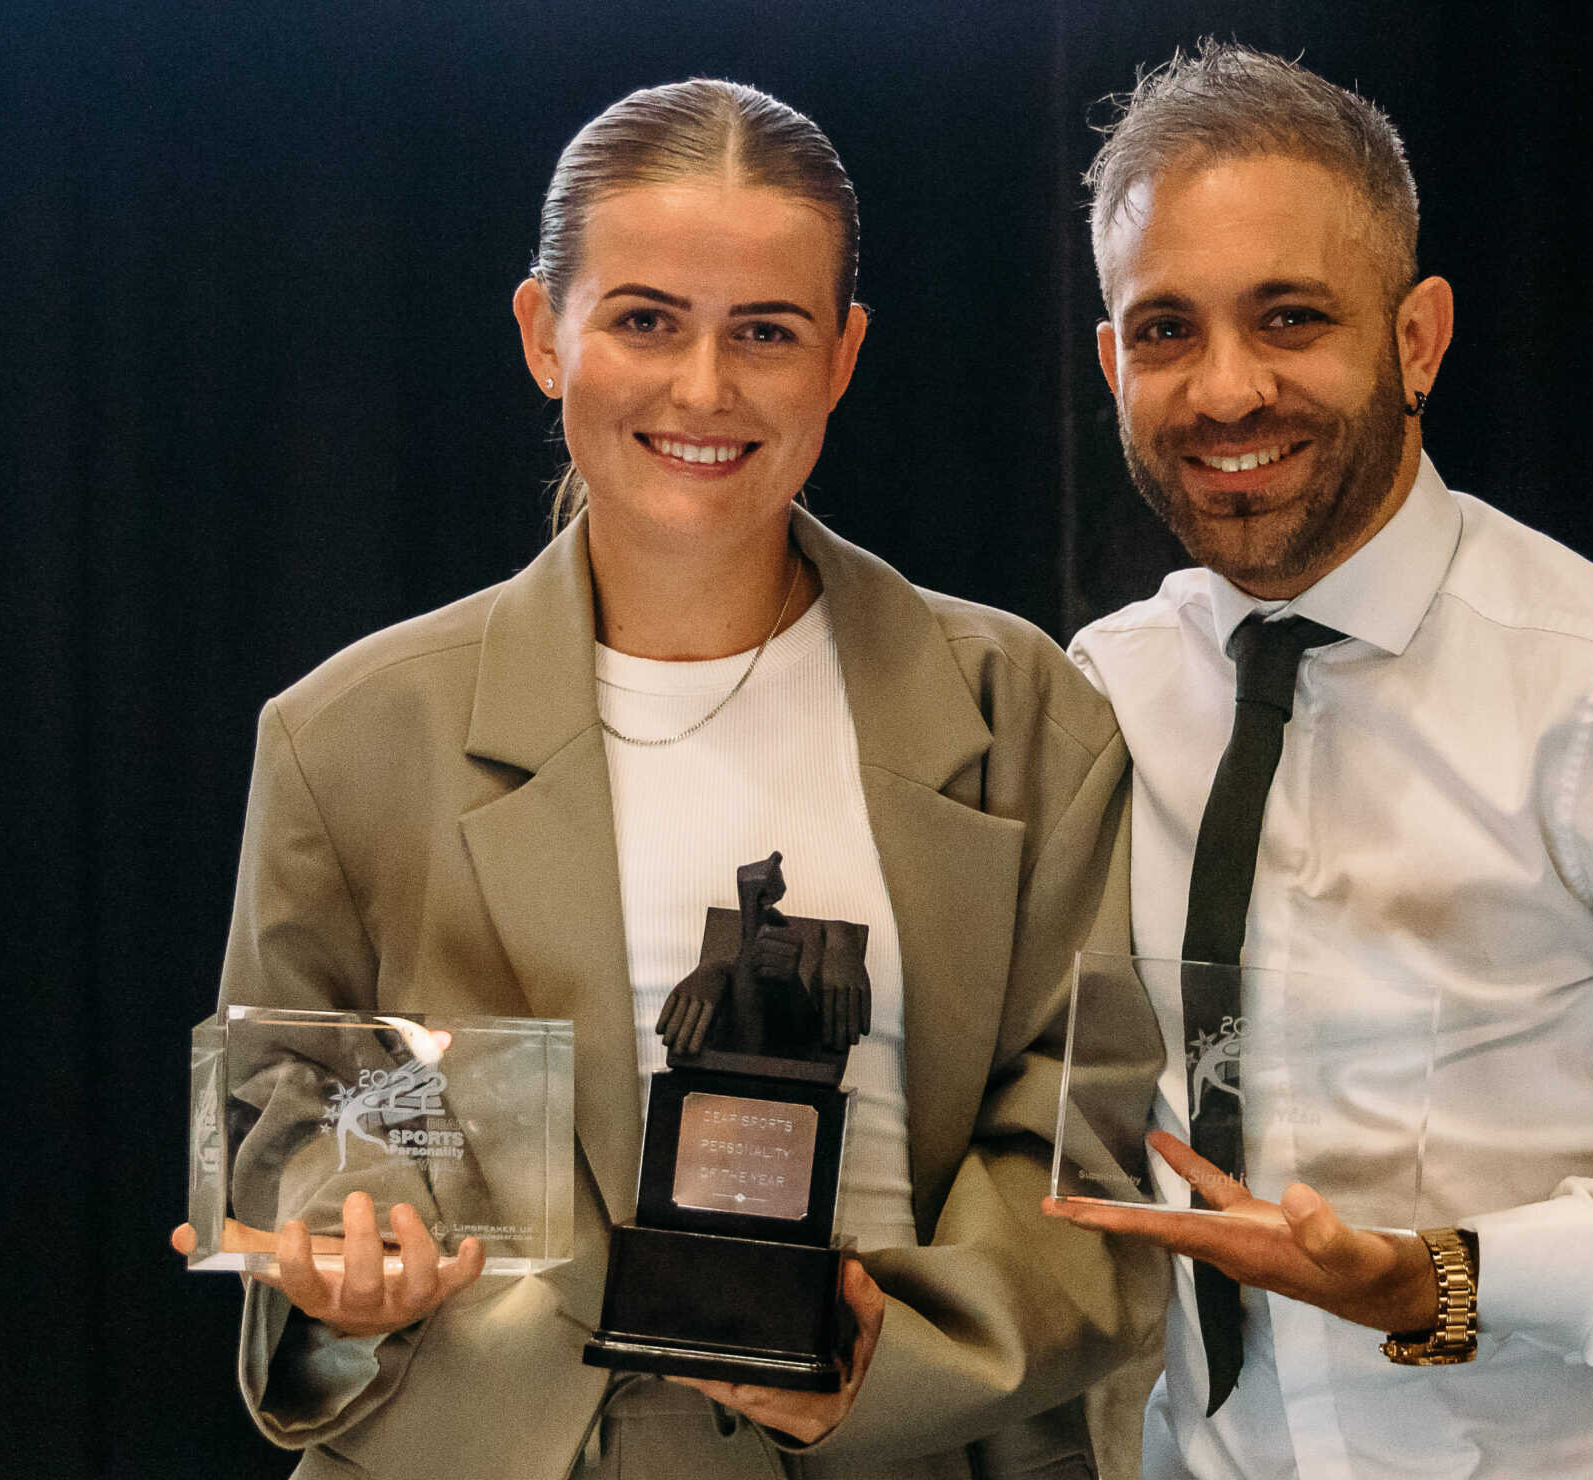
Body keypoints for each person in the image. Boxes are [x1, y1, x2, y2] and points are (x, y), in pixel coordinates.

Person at [173, 79, 1163, 1480]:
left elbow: (1081, 1137)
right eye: (645, 320)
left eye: (766, 331)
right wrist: (343, 1260)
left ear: (843, 356)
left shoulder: (1023, 714)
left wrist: (891, 1359)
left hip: (892, 1444)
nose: (704, 388)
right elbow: (288, 1106)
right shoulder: (348, 736)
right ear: (544, 334)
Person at [1045, 43, 1593, 1480]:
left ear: (1419, 339)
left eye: (1291, 317)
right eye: (1166, 331)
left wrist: (1447, 1279)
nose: (1226, 390)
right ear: (1110, 364)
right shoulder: (1102, 690)